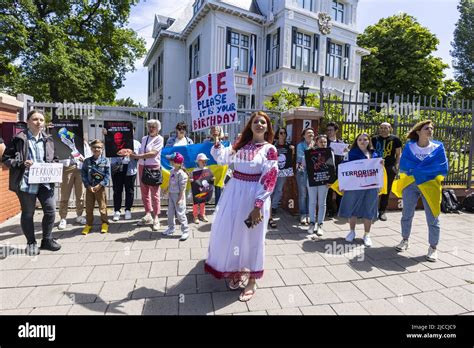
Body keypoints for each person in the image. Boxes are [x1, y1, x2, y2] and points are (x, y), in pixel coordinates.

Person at [205, 111, 278, 302]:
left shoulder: (270, 149)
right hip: (233, 195)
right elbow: (222, 159)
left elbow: (270, 178)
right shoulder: (240, 145)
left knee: (254, 236)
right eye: (256, 121)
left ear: (268, 127)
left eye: (263, 122)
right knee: (234, 233)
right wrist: (217, 138)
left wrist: (258, 205)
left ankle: (253, 280)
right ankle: (238, 270)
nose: (259, 124)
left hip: (254, 197)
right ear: (250, 125)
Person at [2, 110, 61, 255]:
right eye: (35, 119)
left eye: (41, 120)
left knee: (50, 210)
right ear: (28, 121)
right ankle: (31, 243)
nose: (38, 122)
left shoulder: (48, 139)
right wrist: (21, 163)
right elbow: (5, 159)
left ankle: (47, 239)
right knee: (28, 213)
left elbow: (54, 157)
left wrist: (54, 164)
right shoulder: (18, 139)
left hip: (45, 182)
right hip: (26, 182)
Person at [393, 120, 448, 262]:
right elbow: (405, 165)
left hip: (430, 186)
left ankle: (433, 248)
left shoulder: (438, 147)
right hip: (410, 184)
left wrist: (418, 170)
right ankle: (405, 240)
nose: (430, 130)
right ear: (418, 131)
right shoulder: (410, 147)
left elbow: (442, 167)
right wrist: (423, 170)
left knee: (433, 217)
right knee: (407, 214)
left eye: (431, 128)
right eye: (426, 128)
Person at [338, 133, 383, 247]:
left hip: (371, 186)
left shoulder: (375, 154)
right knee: (353, 208)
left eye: (365, 139)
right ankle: (352, 231)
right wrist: (343, 184)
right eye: (360, 139)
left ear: (369, 141)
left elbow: (379, 170)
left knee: (369, 209)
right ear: (356, 141)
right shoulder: (350, 154)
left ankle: (367, 235)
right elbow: (344, 168)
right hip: (354, 186)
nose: (362, 141)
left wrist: (381, 164)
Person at [130, 119, 164, 231]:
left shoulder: (160, 139)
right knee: (144, 193)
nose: (151, 128)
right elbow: (140, 152)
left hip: (153, 167)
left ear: (158, 128)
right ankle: (148, 214)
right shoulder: (144, 138)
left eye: (153, 126)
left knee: (155, 194)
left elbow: (153, 153)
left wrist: (138, 157)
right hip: (142, 167)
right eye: (149, 126)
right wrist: (131, 154)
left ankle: (156, 217)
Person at [57, 141, 91, 230]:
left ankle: (79, 215)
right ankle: (63, 218)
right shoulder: (63, 141)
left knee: (80, 194)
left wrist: (85, 161)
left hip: (80, 168)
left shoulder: (84, 143)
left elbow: (89, 156)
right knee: (65, 194)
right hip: (67, 168)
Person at [372, 122, 402, 221]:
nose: (383, 130)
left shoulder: (396, 139)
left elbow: (398, 154)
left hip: (389, 167)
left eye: (386, 128)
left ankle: (382, 211)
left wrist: (396, 166)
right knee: (374, 189)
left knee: (386, 189)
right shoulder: (374, 139)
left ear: (390, 129)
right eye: (381, 128)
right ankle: (372, 210)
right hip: (376, 168)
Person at [307, 135, 334, 237]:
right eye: (321, 142)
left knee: (322, 203)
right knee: (312, 202)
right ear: (316, 142)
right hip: (312, 180)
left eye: (325, 142)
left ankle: (320, 224)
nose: (323, 144)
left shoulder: (329, 152)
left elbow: (332, 167)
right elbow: (305, 166)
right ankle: (312, 223)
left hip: (324, 180)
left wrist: (330, 180)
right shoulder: (310, 152)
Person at [81, 139, 110, 235]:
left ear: (102, 149)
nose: (97, 149)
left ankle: (105, 223)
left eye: (99, 147)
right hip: (89, 188)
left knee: (102, 207)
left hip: (100, 188)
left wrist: (100, 185)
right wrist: (88, 186)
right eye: (94, 147)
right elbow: (84, 174)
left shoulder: (105, 161)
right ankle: (88, 224)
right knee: (89, 208)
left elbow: (107, 175)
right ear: (91, 149)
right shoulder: (87, 161)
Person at [110, 137, 142, 221]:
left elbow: (139, 157)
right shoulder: (114, 140)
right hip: (117, 168)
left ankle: (128, 209)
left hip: (130, 169)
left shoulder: (136, 143)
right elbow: (108, 151)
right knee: (117, 190)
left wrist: (132, 153)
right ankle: (117, 210)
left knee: (129, 190)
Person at [269, 126, 294, 228]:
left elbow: (292, 158)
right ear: (277, 134)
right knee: (271, 189)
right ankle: (268, 207)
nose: (282, 135)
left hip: (283, 171)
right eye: (281, 133)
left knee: (279, 189)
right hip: (273, 171)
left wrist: (293, 151)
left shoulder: (289, 146)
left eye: (284, 133)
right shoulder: (272, 146)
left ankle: (274, 207)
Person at [162, 152, 190, 241]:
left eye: (172, 161)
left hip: (178, 196)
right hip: (171, 195)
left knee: (180, 214)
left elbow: (183, 188)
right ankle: (171, 228)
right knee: (170, 213)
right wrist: (166, 189)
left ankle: (185, 231)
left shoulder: (182, 174)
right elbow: (171, 182)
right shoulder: (172, 171)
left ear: (177, 163)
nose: (170, 162)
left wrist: (180, 198)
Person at [326, 122, 346, 218]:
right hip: (328, 169)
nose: (329, 132)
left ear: (336, 131)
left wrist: (346, 152)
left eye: (331, 130)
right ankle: (329, 210)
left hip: (340, 169)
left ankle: (340, 209)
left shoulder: (341, 143)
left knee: (339, 190)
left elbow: (345, 157)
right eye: (328, 130)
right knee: (329, 191)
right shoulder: (324, 142)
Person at [296, 127, 315, 225]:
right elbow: (300, 158)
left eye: (312, 133)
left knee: (311, 195)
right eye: (308, 133)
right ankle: (303, 214)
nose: (311, 134)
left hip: (313, 173)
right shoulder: (300, 145)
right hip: (302, 172)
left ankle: (310, 214)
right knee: (303, 194)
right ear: (304, 135)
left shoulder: (316, 144)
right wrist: (311, 150)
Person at [190, 153, 214, 224]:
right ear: (198, 162)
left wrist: (212, 179)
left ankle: (202, 214)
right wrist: (191, 179)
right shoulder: (195, 170)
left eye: (205, 161)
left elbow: (211, 177)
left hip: (204, 190)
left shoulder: (207, 170)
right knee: (195, 203)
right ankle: (195, 216)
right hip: (196, 190)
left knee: (203, 202)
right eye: (203, 161)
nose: (204, 162)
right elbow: (191, 178)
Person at [204, 126, 225, 205]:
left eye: (216, 130)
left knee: (218, 187)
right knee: (205, 185)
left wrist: (217, 140)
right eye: (212, 129)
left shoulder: (223, 143)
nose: (214, 131)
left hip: (218, 167)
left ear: (220, 131)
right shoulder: (206, 142)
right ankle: (203, 208)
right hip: (209, 167)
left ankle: (217, 205)